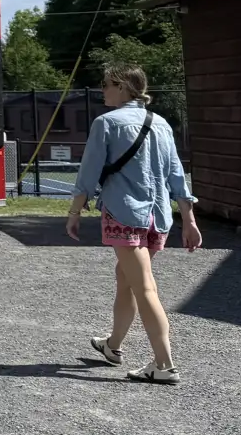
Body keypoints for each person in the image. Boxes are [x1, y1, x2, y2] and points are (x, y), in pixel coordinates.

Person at [68, 63, 201, 384]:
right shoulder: (162, 124)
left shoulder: (106, 123)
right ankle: (112, 345)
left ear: (123, 86)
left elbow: (88, 173)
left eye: (105, 84)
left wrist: (74, 212)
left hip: (123, 214)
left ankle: (164, 364)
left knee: (144, 287)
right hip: (159, 217)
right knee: (126, 277)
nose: (102, 90)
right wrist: (190, 221)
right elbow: (176, 176)